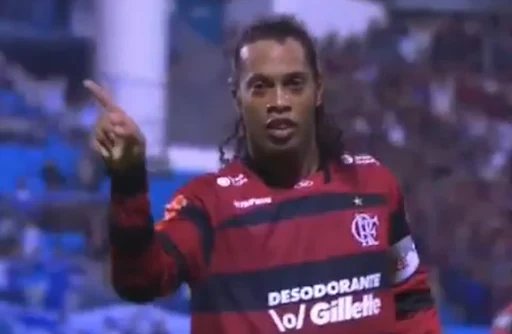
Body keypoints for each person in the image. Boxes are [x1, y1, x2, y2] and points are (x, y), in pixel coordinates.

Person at [86, 15, 441, 334]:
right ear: (237, 97)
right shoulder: (210, 206)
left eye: (294, 84)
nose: (279, 101)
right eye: (260, 87)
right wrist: (129, 177)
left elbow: (410, 297)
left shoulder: (374, 186)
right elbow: (138, 281)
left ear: (318, 91)